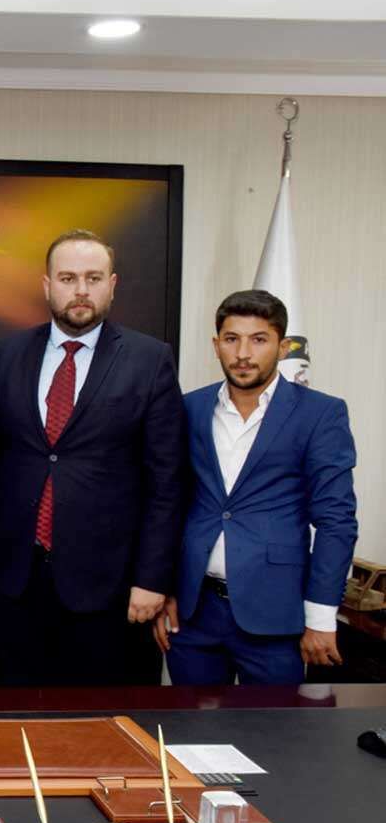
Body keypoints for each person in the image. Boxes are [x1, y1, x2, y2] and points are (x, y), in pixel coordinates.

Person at [0, 229, 184, 685]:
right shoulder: (7, 355)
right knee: (17, 712)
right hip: (17, 579)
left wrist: (153, 578)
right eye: (68, 278)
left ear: (112, 285)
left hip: (110, 588)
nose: (81, 290)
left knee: (100, 719)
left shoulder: (149, 360)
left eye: (93, 278)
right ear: (47, 285)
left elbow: (166, 483)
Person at [157, 290, 357, 683]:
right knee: (190, 721)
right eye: (232, 339)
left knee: (272, 724)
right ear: (216, 345)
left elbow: (337, 520)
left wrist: (320, 617)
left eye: (259, 339)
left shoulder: (320, 413)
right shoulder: (189, 408)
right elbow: (169, 503)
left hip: (276, 615)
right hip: (193, 614)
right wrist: (164, 589)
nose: (243, 353)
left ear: (282, 347)